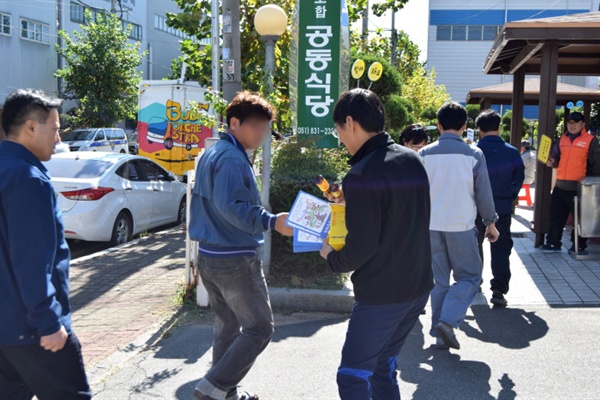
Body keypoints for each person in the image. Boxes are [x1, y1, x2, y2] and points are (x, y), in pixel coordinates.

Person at [320, 89, 433, 400]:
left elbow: (362, 246)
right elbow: (402, 214)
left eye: (338, 129)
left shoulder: (362, 173)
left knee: (352, 376)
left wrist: (331, 258)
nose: (340, 137)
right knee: (383, 365)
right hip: (419, 284)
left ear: (351, 122)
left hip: (383, 292)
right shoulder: (410, 158)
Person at [189, 91, 293, 400]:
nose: (262, 134)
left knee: (229, 325)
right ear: (234, 123)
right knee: (260, 328)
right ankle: (212, 388)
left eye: (265, 127)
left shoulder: (215, 151)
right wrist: (271, 221)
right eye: (257, 126)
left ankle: (225, 392)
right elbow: (231, 207)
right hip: (233, 258)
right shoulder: (232, 158)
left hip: (210, 256)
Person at [0, 89, 91, 399]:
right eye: (55, 128)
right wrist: (48, 321)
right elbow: (32, 260)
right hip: (33, 329)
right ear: (30, 127)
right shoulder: (28, 179)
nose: (59, 138)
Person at [418, 102, 499, 350]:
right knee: (470, 276)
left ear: (439, 125)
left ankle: (439, 330)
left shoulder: (423, 155)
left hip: (430, 225)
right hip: (461, 225)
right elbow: (483, 192)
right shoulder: (473, 155)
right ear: (464, 127)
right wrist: (490, 223)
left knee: (439, 280)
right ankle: (448, 320)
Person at [474, 110, 525, 307]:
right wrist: (510, 196)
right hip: (502, 207)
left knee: (475, 245)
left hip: (476, 207)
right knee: (501, 248)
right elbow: (518, 179)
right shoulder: (512, 151)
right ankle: (498, 289)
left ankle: (474, 281)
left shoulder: (474, 151)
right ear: (499, 127)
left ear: (479, 129)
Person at [543, 111, 600, 252]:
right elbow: (556, 157)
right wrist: (552, 161)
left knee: (580, 219)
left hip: (580, 187)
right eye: (570, 123)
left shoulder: (591, 140)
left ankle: (579, 245)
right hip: (561, 184)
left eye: (576, 122)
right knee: (556, 215)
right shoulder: (562, 139)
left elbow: (596, 164)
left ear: (583, 124)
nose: (572, 125)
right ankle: (553, 242)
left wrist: (592, 184)